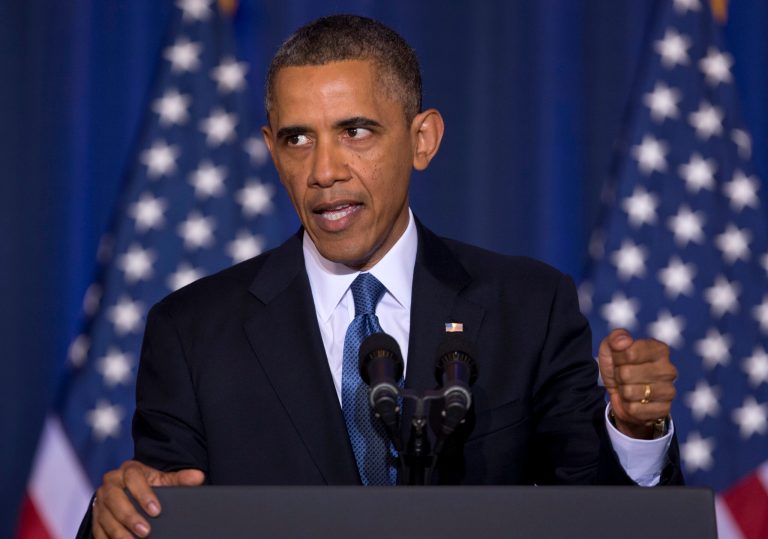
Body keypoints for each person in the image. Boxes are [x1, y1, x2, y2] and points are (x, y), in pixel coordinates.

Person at [86, 14, 681, 539]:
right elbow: (156, 505)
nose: (323, 171)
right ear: (272, 151)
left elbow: (593, 514)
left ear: (422, 140)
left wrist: (635, 430)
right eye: (298, 139)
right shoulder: (193, 332)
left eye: (356, 131)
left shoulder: (527, 307)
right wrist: (114, 512)